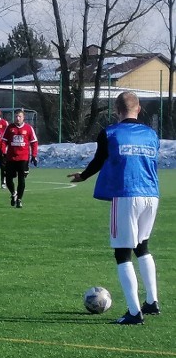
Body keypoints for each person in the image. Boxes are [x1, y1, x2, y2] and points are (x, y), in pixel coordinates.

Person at [68, 91, 160, 325]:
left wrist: (83, 176)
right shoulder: (151, 134)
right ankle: (152, 302)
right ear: (138, 109)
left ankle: (134, 312)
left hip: (127, 194)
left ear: (117, 112)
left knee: (122, 252)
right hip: (151, 193)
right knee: (143, 246)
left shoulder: (110, 133)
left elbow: (99, 160)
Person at [2, 109, 38, 208]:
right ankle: (14, 193)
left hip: (23, 158)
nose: (17, 118)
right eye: (16, 116)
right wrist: (3, 152)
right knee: (8, 179)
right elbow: (4, 141)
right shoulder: (10, 128)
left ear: (23, 118)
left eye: (19, 116)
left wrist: (34, 156)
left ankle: (19, 199)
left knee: (21, 179)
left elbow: (34, 142)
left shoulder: (28, 128)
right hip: (11, 158)